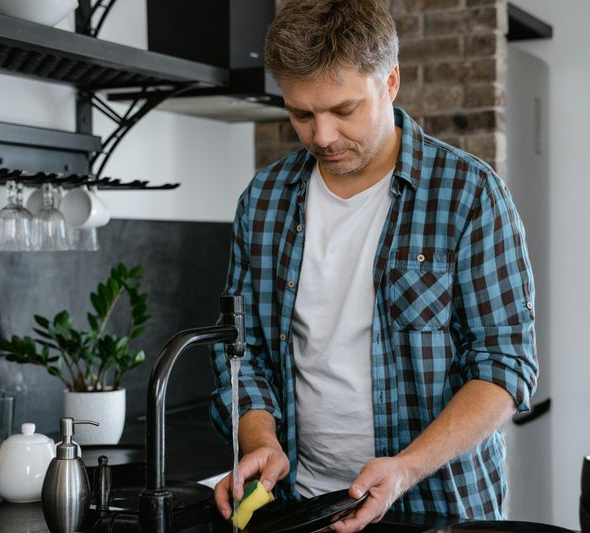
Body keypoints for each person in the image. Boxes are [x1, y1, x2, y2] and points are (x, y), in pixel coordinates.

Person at [210, 0, 538, 531]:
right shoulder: (264, 201)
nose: (322, 137)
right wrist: (261, 442)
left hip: (437, 508)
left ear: (390, 83)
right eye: (301, 114)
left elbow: (505, 369)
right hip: (304, 506)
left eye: (343, 110)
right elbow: (240, 356)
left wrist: (405, 470)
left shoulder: (468, 194)